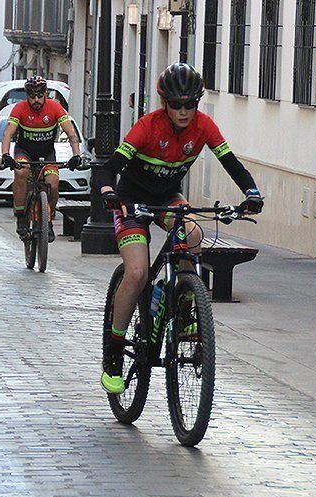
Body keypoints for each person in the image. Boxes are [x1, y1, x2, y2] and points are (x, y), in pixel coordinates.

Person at [98, 63, 263, 394]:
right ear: (165, 103)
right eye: (177, 105)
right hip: (132, 202)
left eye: (191, 104)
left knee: (193, 234)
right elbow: (108, 169)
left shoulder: (203, 127)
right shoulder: (147, 127)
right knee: (137, 273)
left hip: (167, 199)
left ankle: (185, 305)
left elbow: (231, 163)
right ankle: (113, 353)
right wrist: (109, 194)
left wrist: (252, 193)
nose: (184, 112)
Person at [1, 75, 82, 241]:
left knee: (52, 182)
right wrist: (5, 155)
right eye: (32, 97)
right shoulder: (19, 108)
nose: (36, 100)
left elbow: (71, 133)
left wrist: (76, 155)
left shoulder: (55, 108)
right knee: (21, 173)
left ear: (46, 94)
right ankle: (21, 216)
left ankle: (48, 218)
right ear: (27, 96)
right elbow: (8, 133)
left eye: (39, 96)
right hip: (24, 151)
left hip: (47, 153)